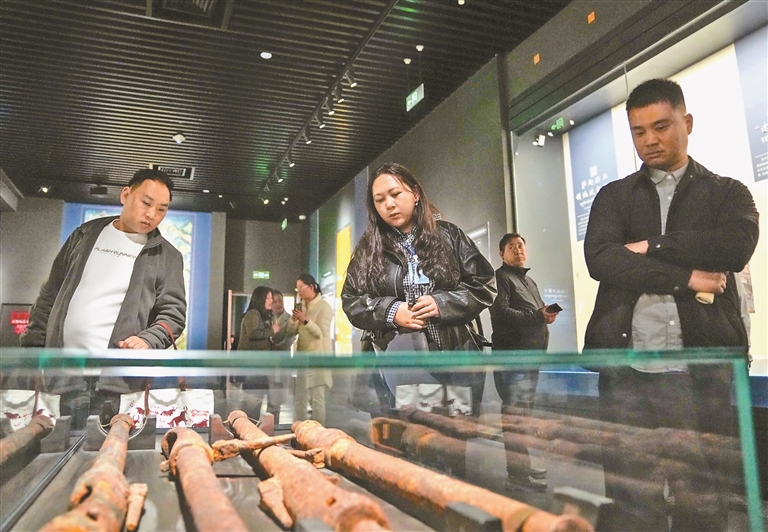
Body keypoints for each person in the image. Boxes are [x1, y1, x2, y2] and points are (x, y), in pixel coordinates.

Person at [584, 78, 759, 531]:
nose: (650, 140)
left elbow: (734, 247)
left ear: (688, 123)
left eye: (661, 126)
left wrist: (651, 247)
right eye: (639, 131)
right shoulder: (614, 196)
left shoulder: (727, 192)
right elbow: (601, 259)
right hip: (628, 372)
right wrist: (686, 277)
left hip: (700, 373)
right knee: (630, 498)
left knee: (702, 498)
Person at [341, 162, 496, 415]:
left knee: (452, 434)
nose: (389, 204)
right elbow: (351, 299)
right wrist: (391, 310)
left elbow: (484, 283)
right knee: (407, 433)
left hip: (453, 359)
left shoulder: (449, 236)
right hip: (397, 365)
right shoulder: (368, 249)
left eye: (395, 194)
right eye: (379, 200)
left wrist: (441, 303)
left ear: (415, 193)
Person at [21, 168, 186, 350]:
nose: (152, 215)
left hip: (118, 364)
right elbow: (50, 293)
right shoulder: (84, 234)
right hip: (60, 361)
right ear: (125, 195)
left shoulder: (168, 256)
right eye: (146, 203)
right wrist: (33, 346)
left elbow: (173, 315)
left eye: (161, 209)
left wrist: (148, 340)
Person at [490, 233, 559, 492]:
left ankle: (522, 468)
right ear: (502, 253)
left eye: (521, 246)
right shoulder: (500, 278)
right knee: (515, 416)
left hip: (530, 357)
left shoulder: (529, 281)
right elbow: (501, 313)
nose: (518, 250)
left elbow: (534, 313)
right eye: (512, 247)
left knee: (522, 417)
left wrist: (545, 314)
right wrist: (537, 316)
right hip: (514, 357)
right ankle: (517, 475)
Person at [283, 274, 333, 425]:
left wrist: (305, 320)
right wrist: (293, 321)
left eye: (301, 288)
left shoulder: (324, 307)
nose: (299, 292)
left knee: (318, 399)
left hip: (318, 359)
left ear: (311, 287)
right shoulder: (302, 306)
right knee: (300, 398)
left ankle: (319, 432)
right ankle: (298, 429)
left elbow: (320, 334)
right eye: (297, 289)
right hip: (302, 358)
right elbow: (290, 333)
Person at [237, 286, 279, 352]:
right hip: (249, 356)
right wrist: (272, 330)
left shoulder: (265, 315)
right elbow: (253, 333)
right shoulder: (253, 313)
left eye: (271, 298)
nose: (271, 301)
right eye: (267, 298)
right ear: (260, 299)